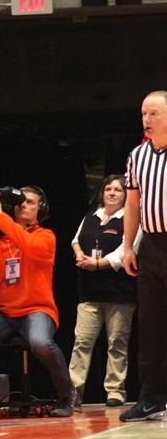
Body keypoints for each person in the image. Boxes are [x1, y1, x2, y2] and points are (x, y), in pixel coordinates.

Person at [0, 186, 77, 418]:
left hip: (37, 309)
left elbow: (29, 246)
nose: (24, 205)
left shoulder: (46, 236)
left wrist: (0, 218)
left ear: (41, 209)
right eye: (21, 202)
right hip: (2, 313)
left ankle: (67, 395)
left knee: (40, 343)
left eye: (30, 202)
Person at [69, 175, 139, 408]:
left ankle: (115, 391)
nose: (112, 193)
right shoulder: (91, 217)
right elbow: (75, 240)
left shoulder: (130, 218)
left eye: (117, 189)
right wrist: (79, 254)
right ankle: (73, 392)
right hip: (89, 292)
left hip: (119, 293)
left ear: (125, 195)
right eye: (108, 188)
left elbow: (126, 250)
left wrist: (98, 264)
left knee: (117, 343)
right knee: (82, 342)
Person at [120, 91, 167, 422]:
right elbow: (132, 204)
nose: (146, 120)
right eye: (143, 114)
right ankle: (151, 398)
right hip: (150, 245)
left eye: (153, 113)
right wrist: (128, 247)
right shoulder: (137, 156)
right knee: (150, 324)